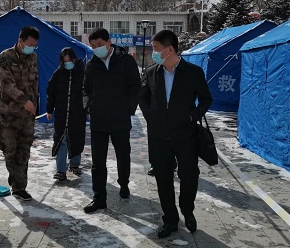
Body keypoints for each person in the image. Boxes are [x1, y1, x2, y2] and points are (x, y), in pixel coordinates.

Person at [138, 30, 212, 237]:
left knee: (189, 176)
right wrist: (150, 116)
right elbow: (142, 97)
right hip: (158, 136)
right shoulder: (151, 72)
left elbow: (206, 98)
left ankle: (187, 210)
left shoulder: (193, 72)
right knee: (163, 179)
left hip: (185, 135)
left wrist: (193, 116)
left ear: (169, 49)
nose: (153, 53)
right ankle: (170, 219)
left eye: (156, 49)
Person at [82, 28, 141, 213]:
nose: (96, 48)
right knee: (97, 162)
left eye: (99, 44)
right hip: (98, 120)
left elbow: (135, 86)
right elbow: (85, 89)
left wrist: (127, 109)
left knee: (123, 156)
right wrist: (88, 106)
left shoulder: (125, 61)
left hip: (120, 119)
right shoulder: (91, 65)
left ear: (109, 42)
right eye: (93, 46)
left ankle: (124, 184)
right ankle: (99, 198)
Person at [0, 26, 40, 201]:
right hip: (9, 113)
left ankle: (19, 187)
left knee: (24, 151)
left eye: (35, 45)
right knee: (9, 150)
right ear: (20, 41)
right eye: (30, 44)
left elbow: (35, 82)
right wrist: (25, 101)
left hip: (27, 115)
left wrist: (35, 104)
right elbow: (7, 84)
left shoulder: (33, 57)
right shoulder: (5, 56)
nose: (32, 48)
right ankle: (14, 179)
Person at [46, 48, 87, 181]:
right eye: (65, 61)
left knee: (76, 138)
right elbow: (51, 92)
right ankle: (61, 170)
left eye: (69, 60)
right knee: (61, 140)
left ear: (74, 59)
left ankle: (75, 165)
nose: (67, 63)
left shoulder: (83, 72)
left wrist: (87, 108)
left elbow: (88, 92)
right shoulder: (58, 74)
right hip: (61, 114)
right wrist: (49, 110)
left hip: (78, 114)